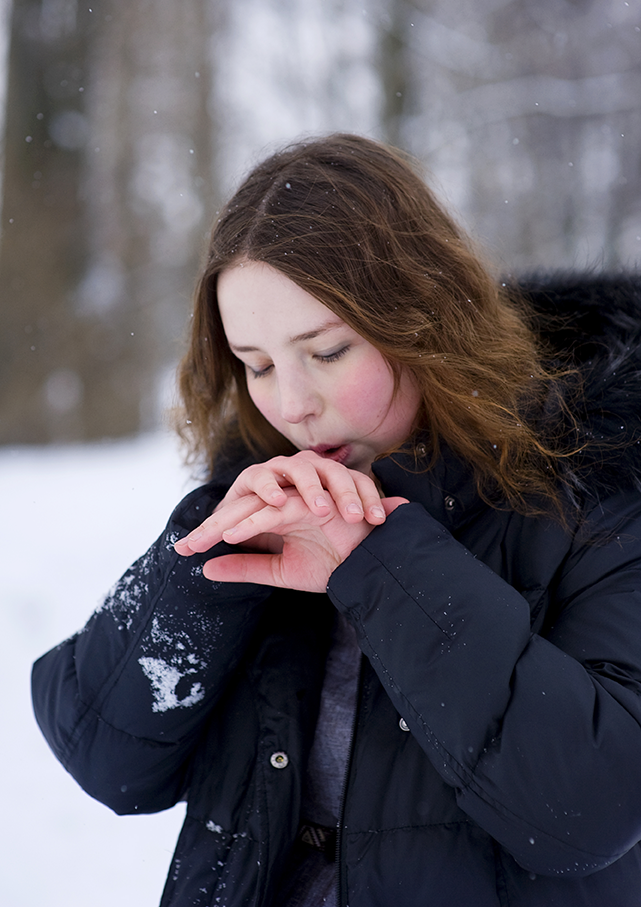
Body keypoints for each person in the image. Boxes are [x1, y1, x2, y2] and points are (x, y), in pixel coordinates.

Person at [32, 133, 641, 907]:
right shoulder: (257, 489)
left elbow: (588, 807)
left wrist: (379, 564)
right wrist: (204, 572)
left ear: (424, 315)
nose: (290, 404)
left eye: (324, 351)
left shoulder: (594, 489)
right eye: (256, 364)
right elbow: (105, 758)